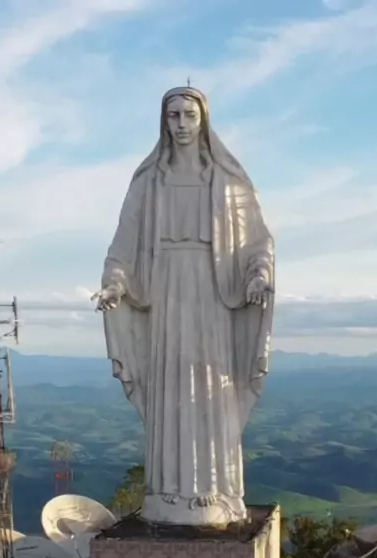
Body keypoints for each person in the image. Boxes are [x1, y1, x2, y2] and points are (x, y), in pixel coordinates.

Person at [93, 86, 275, 526]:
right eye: (173, 115)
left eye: (189, 115)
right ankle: (167, 492)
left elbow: (257, 240)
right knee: (170, 388)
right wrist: (115, 284)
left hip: (213, 295)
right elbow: (122, 246)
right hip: (166, 295)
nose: (180, 124)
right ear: (164, 121)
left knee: (211, 387)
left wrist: (259, 274)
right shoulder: (148, 183)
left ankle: (216, 491)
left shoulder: (228, 182)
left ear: (203, 120)